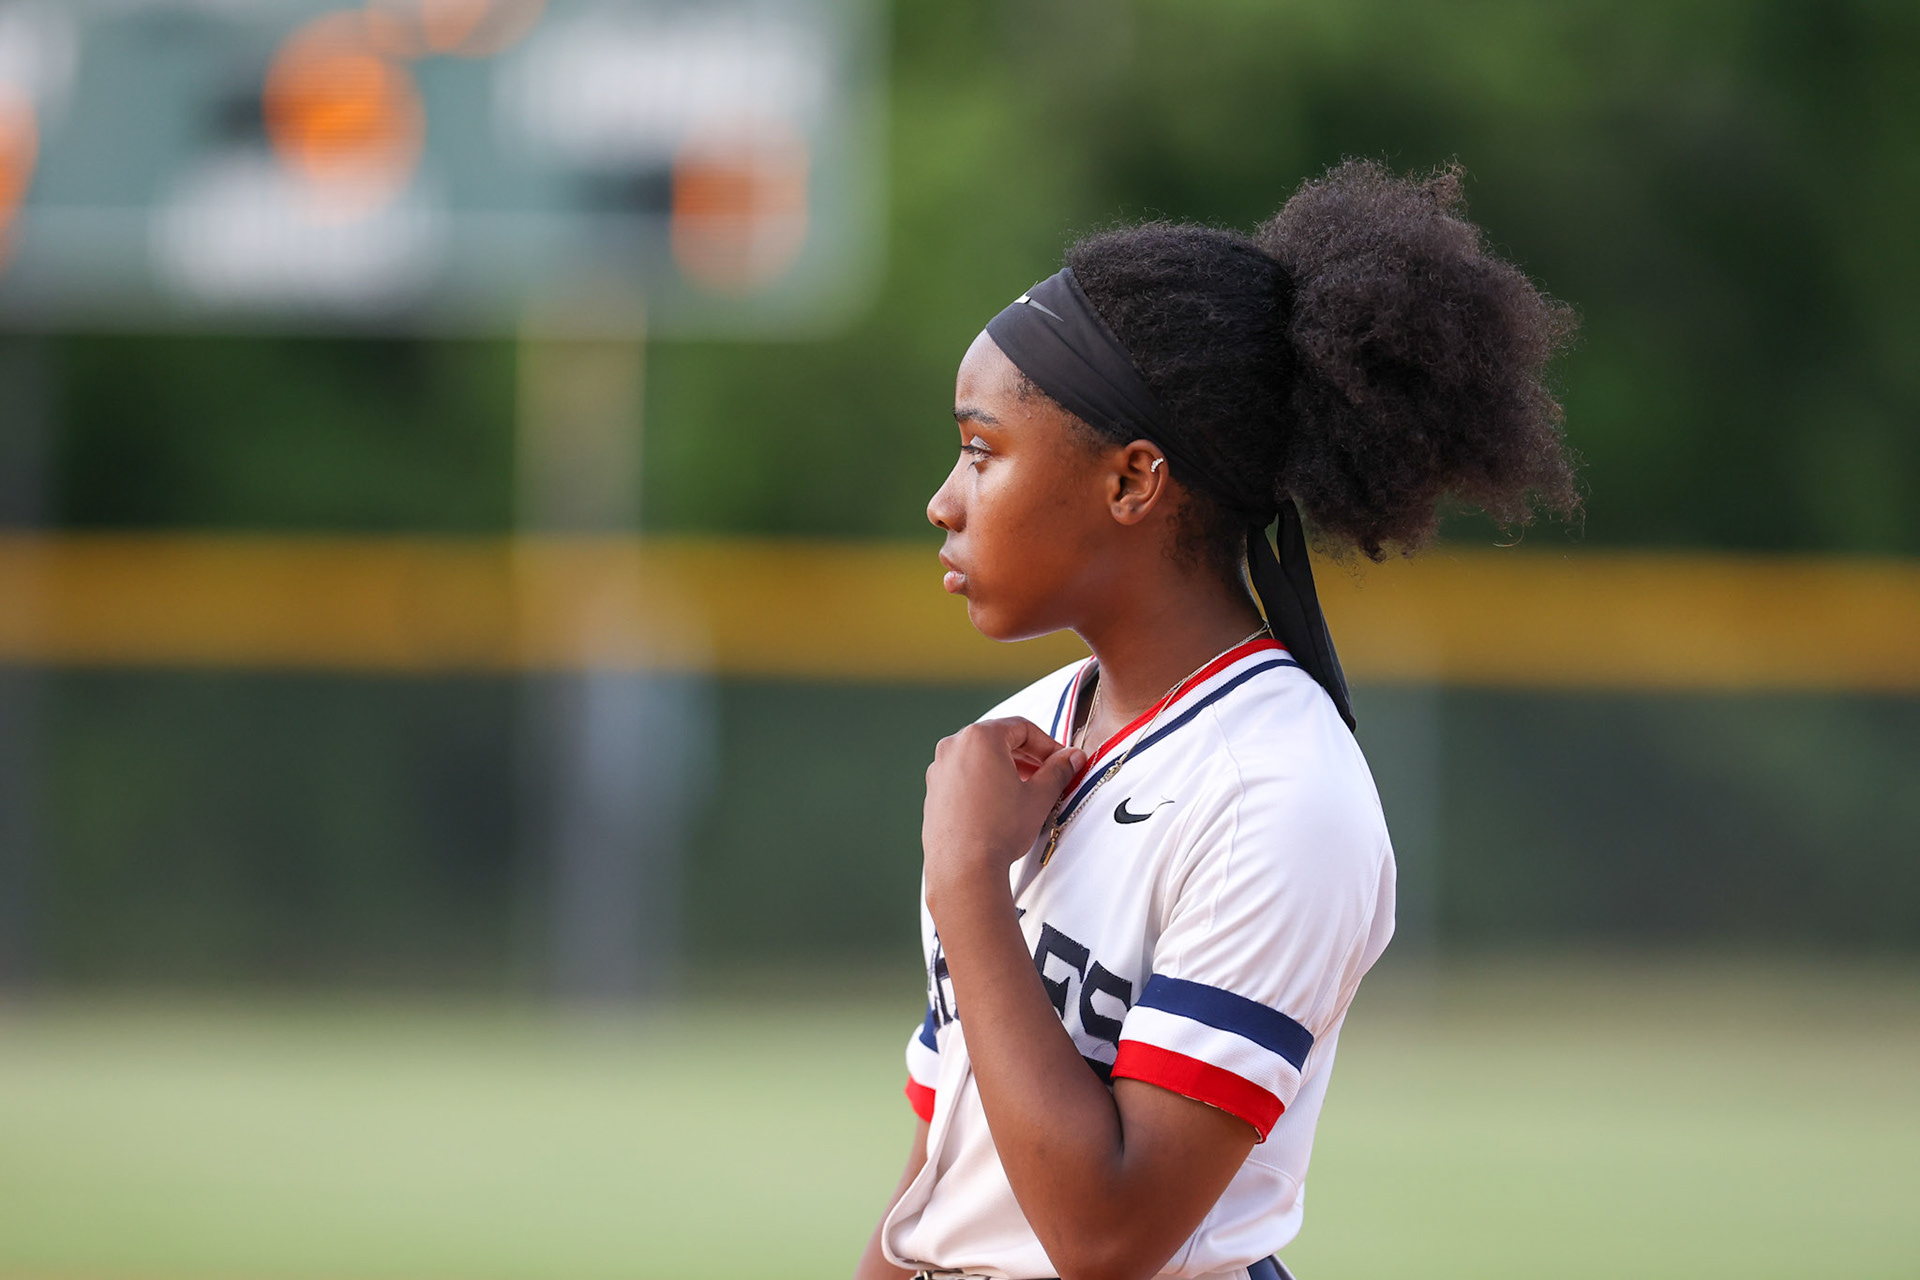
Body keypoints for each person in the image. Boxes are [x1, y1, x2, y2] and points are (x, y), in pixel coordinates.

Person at [854, 160, 1578, 1280]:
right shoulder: (1025, 731)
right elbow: (943, 1176)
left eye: (983, 449)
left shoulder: (1278, 798)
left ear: (1135, 479)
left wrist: (964, 880)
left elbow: (1110, 1235)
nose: (945, 500)